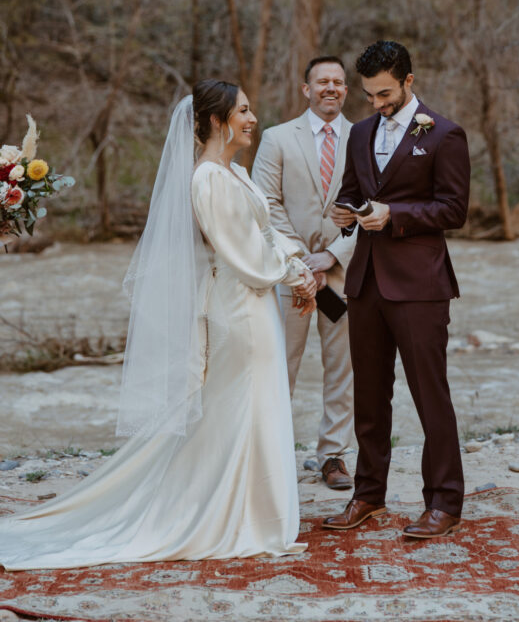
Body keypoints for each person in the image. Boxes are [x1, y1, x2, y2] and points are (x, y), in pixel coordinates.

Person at [0, 80, 317, 570]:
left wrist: (300, 269)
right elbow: (246, 253)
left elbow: (266, 232)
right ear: (217, 120)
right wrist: (297, 273)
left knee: (250, 408)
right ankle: (231, 514)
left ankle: (250, 508)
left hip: (254, 303)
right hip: (238, 306)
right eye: (245, 111)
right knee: (241, 407)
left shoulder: (234, 171)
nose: (254, 119)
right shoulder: (208, 178)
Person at [322, 41, 470, 539]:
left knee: (431, 395)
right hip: (364, 282)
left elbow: (454, 209)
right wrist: (346, 211)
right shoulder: (360, 132)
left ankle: (444, 502)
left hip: (420, 284)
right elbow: (350, 190)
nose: (376, 104)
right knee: (369, 396)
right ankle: (368, 495)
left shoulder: (445, 133)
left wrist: (397, 216)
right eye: (368, 95)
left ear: (409, 80)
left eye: (384, 93)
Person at [252, 56, 356, 491]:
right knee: (280, 365)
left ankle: (333, 456)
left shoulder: (364, 139)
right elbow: (265, 205)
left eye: (338, 82)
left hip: (344, 272)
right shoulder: (276, 138)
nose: (330, 87)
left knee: (343, 368)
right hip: (290, 275)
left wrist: (331, 256)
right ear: (306, 89)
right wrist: (300, 261)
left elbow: (369, 208)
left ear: (346, 91)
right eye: (322, 81)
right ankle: (272, 453)